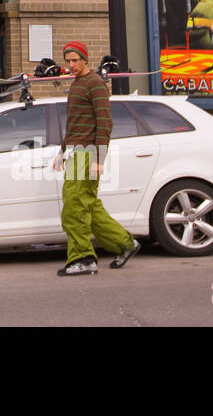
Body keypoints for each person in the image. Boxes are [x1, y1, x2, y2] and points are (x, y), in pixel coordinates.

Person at [51, 41, 140, 275]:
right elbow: (74, 124)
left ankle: (83, 258)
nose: (71, 65)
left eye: (75, 60)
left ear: (84, 59)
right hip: (76, 153)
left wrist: (99, 158)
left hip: (88, 154)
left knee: (74, 208)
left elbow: (105, 123)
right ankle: (125, 244)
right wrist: (62, 152)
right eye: (68, 60)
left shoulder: (95, 84)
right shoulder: (78, 83)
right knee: (89, 206)